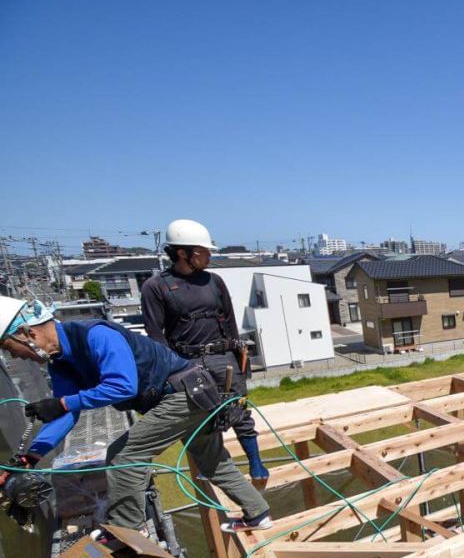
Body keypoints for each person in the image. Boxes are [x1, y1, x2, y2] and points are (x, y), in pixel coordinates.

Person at [0, 297, 272, 532]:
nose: (19, 358)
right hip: (192, 393)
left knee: (124, 457)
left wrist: (63, 404)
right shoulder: (61, 363)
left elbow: (121, 385)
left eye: (12, 350)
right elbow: (66, 411)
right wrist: (31, 455)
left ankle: (127, 532)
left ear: (27, 333)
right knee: (213, 462)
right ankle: (258, 513)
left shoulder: (94, 335)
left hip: (181, 394)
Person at [141, 219, 269, 485]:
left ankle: (256, 464)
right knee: (202, 417)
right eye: (204, 251)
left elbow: (230, 321)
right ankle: (211, 467)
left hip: (223, 357)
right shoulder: (156, 287)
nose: (209, 256)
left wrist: (239, 355)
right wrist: (170, 371)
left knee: (238, 410)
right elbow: (156, 336)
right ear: (182, 253)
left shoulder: (214, 282)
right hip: (187, 362)